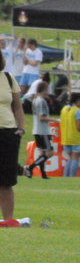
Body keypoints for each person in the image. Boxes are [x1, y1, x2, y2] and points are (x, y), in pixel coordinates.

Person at [0, 49, 26, 225]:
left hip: (8, 132)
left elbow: (17, 107)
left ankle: (8, 220)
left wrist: (21, 128)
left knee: (6, 180)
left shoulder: (8, 78)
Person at [24, 82, 57, 179]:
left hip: (37, 130)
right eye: (47, 89)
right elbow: (42, 118)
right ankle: (30, 167)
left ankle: (43, 174)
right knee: (50, 153)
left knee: (42, 153)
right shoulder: (41, 101)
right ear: (44, 89)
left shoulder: (35, 100)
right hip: (43, 131)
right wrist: (55, 120)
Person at [60, 92, 80, 177]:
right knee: (75, 159)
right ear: (78, 101)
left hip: (66, 137)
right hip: (76, 138)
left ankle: (65, 177)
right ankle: (72, 177)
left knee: (70, 158)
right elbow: (79, 127)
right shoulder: (77, 111)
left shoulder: (64, 109)